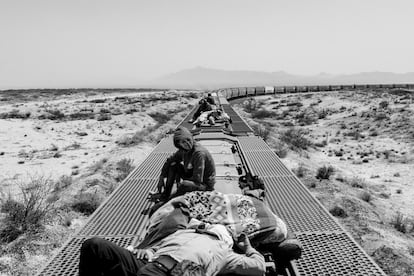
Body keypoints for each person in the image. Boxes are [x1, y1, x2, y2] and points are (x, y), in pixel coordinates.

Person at [79, 207, 266, 276]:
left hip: (182, 271)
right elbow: (157, 246)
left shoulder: (226, 252)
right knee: (94, 245)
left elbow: (259, 266)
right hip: (149, 265)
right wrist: (148, 251)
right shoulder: (181, 232)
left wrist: (249, 248)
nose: (211, 225)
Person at [157, 126, 215, 201]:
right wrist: (162, 177)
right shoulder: (184, 150)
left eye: (188, 139)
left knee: (185, 184)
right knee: (173, 166)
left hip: (204, 184)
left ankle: (168, 201)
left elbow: (197, 179)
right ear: (179, 145)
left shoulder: (199, 153)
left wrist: (180, 187)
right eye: (183, 142)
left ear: (191, 137)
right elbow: (170, 160)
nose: (187, 143)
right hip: (192, 176)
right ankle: (166, 194)